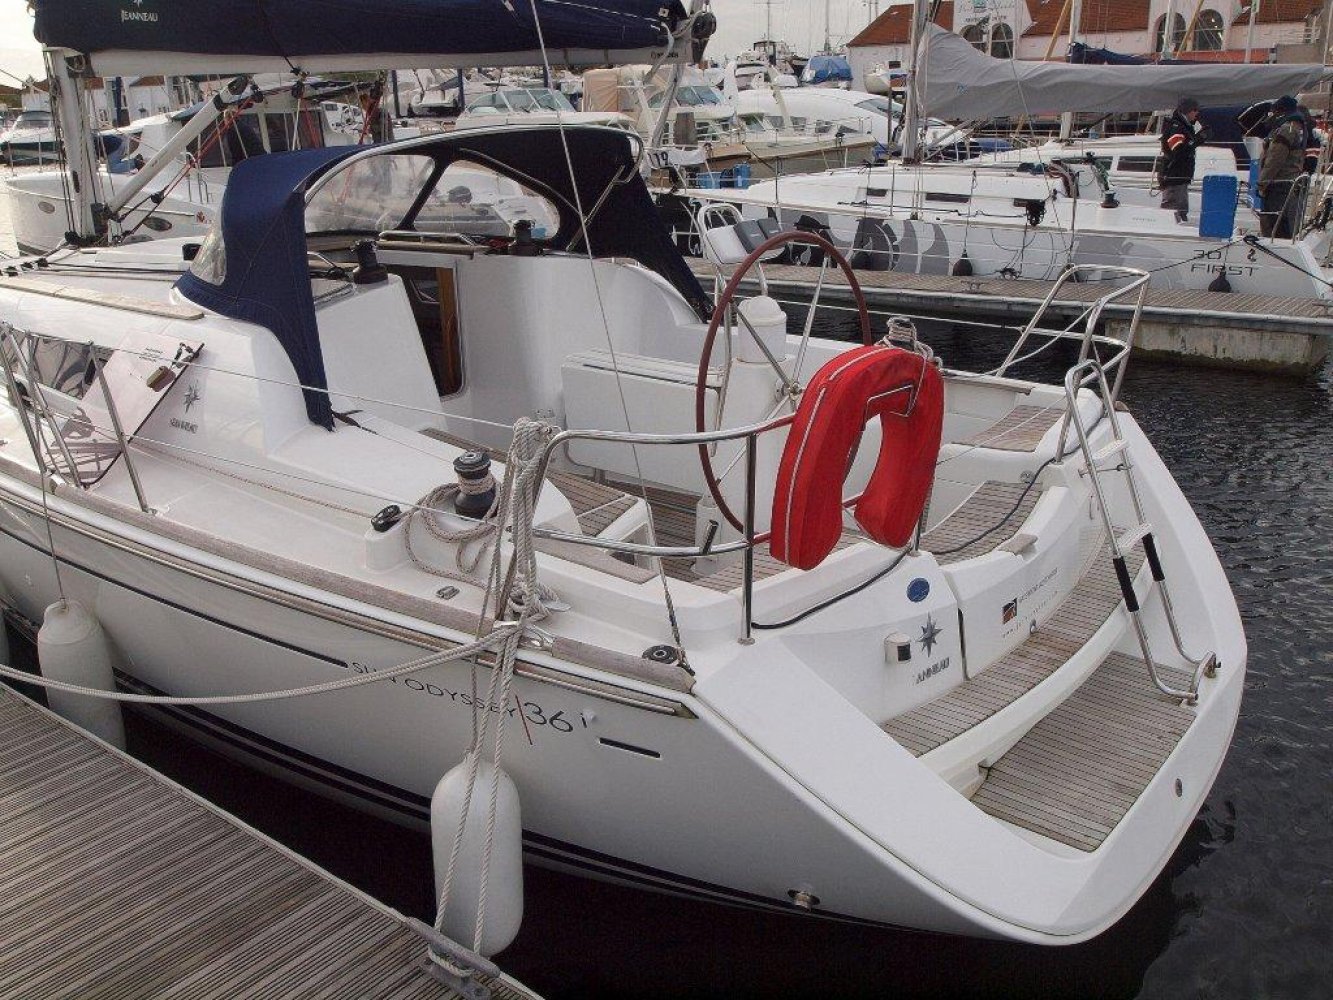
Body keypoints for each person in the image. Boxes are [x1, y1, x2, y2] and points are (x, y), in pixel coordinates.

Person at [1257, 95, 1307, 239]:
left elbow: (1275, 159)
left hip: (1279, 185)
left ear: (1281, 111)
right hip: (1290, 183)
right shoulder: (1298, 127)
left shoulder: (1286, 129)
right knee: (1287, 227)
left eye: (1274, 111)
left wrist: (1262, 183)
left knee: (1274, 227)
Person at [1159, 97, 1207, 223]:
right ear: (1187, 110)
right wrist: (1196, 141)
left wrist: (1197, 139)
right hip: (1174, 176)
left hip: (1180, 176)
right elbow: (1177, 151)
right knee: (1172, 211)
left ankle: (1179, 223)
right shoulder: (1176, 127)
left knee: (1181, 210)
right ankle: (1170, 228)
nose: (1197, 113)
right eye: (1195, 110)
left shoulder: (1184, 126)